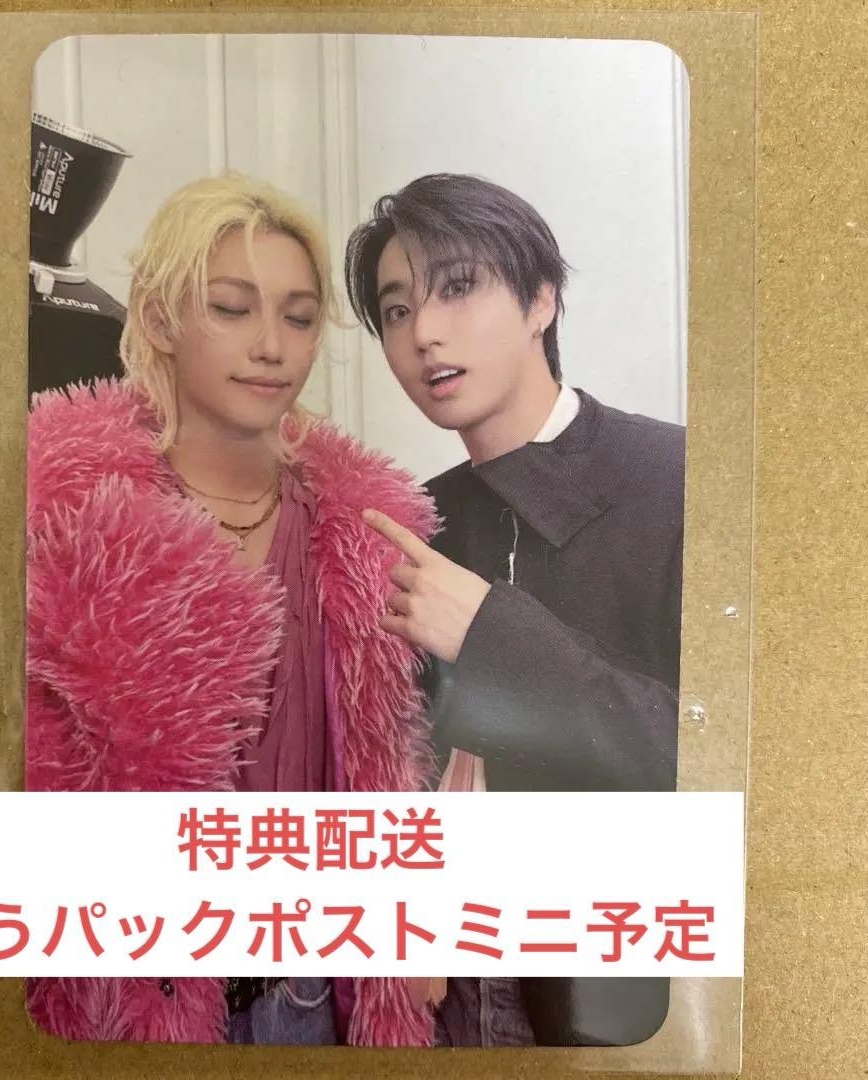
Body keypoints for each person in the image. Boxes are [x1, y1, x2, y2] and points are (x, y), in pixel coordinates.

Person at [23, 172, 438, 1047]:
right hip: (135, 994)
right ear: (160, 317)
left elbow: (395, 770)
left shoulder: (365, 534)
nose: (271, 346)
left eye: (298, 317)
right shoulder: (63, 522)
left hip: (319, 992)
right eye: (230, 308)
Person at [344, 173, 684, 1047]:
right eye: (396, 309)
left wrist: (493, 638)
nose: (424, 332)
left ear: (541, 300)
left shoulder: (677, 480)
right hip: (439, 987)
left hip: (616, 989)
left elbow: (724, 764)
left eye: (458, 287)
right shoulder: (420, 515)